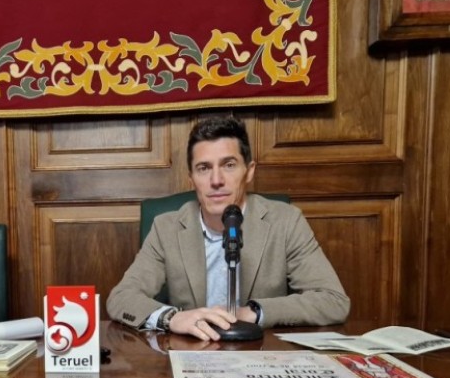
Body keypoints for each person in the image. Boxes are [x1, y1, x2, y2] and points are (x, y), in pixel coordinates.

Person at [106, 114, 349, 340]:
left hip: (261, 356)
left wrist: (254, 312)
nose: (216, 180)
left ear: (249, 171)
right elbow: (121, 298)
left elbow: (333, 301)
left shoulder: (285, 221)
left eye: (229, 165)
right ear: (191, 178)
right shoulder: (166, 228)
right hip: (193, 356)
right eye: (204, 168)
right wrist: (173, 318)